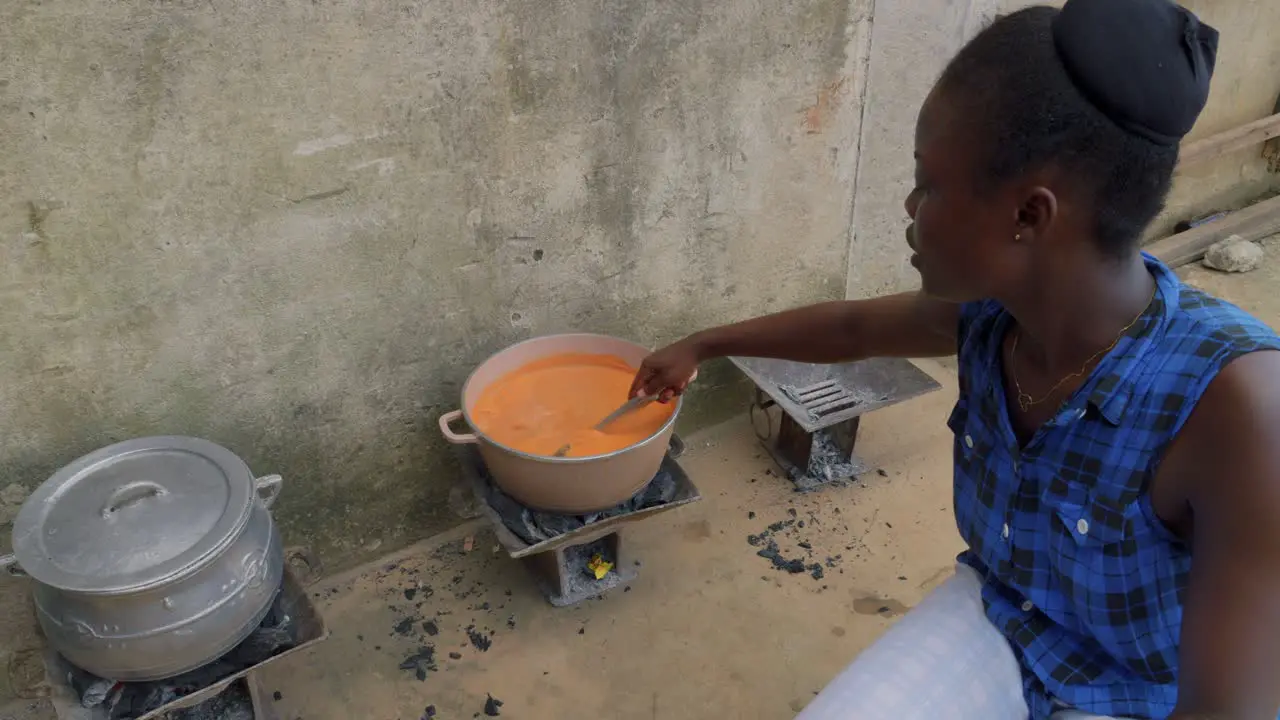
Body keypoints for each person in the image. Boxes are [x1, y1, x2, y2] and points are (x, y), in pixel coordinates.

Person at [630, 1, 1280, 719]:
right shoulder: (994, 316)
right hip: (1011, 618)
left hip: (1141, 694)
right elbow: (850, 328)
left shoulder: (1237, 408)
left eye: (929, 182)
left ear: (1029, 216)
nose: (909, 206)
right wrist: (704, 344)